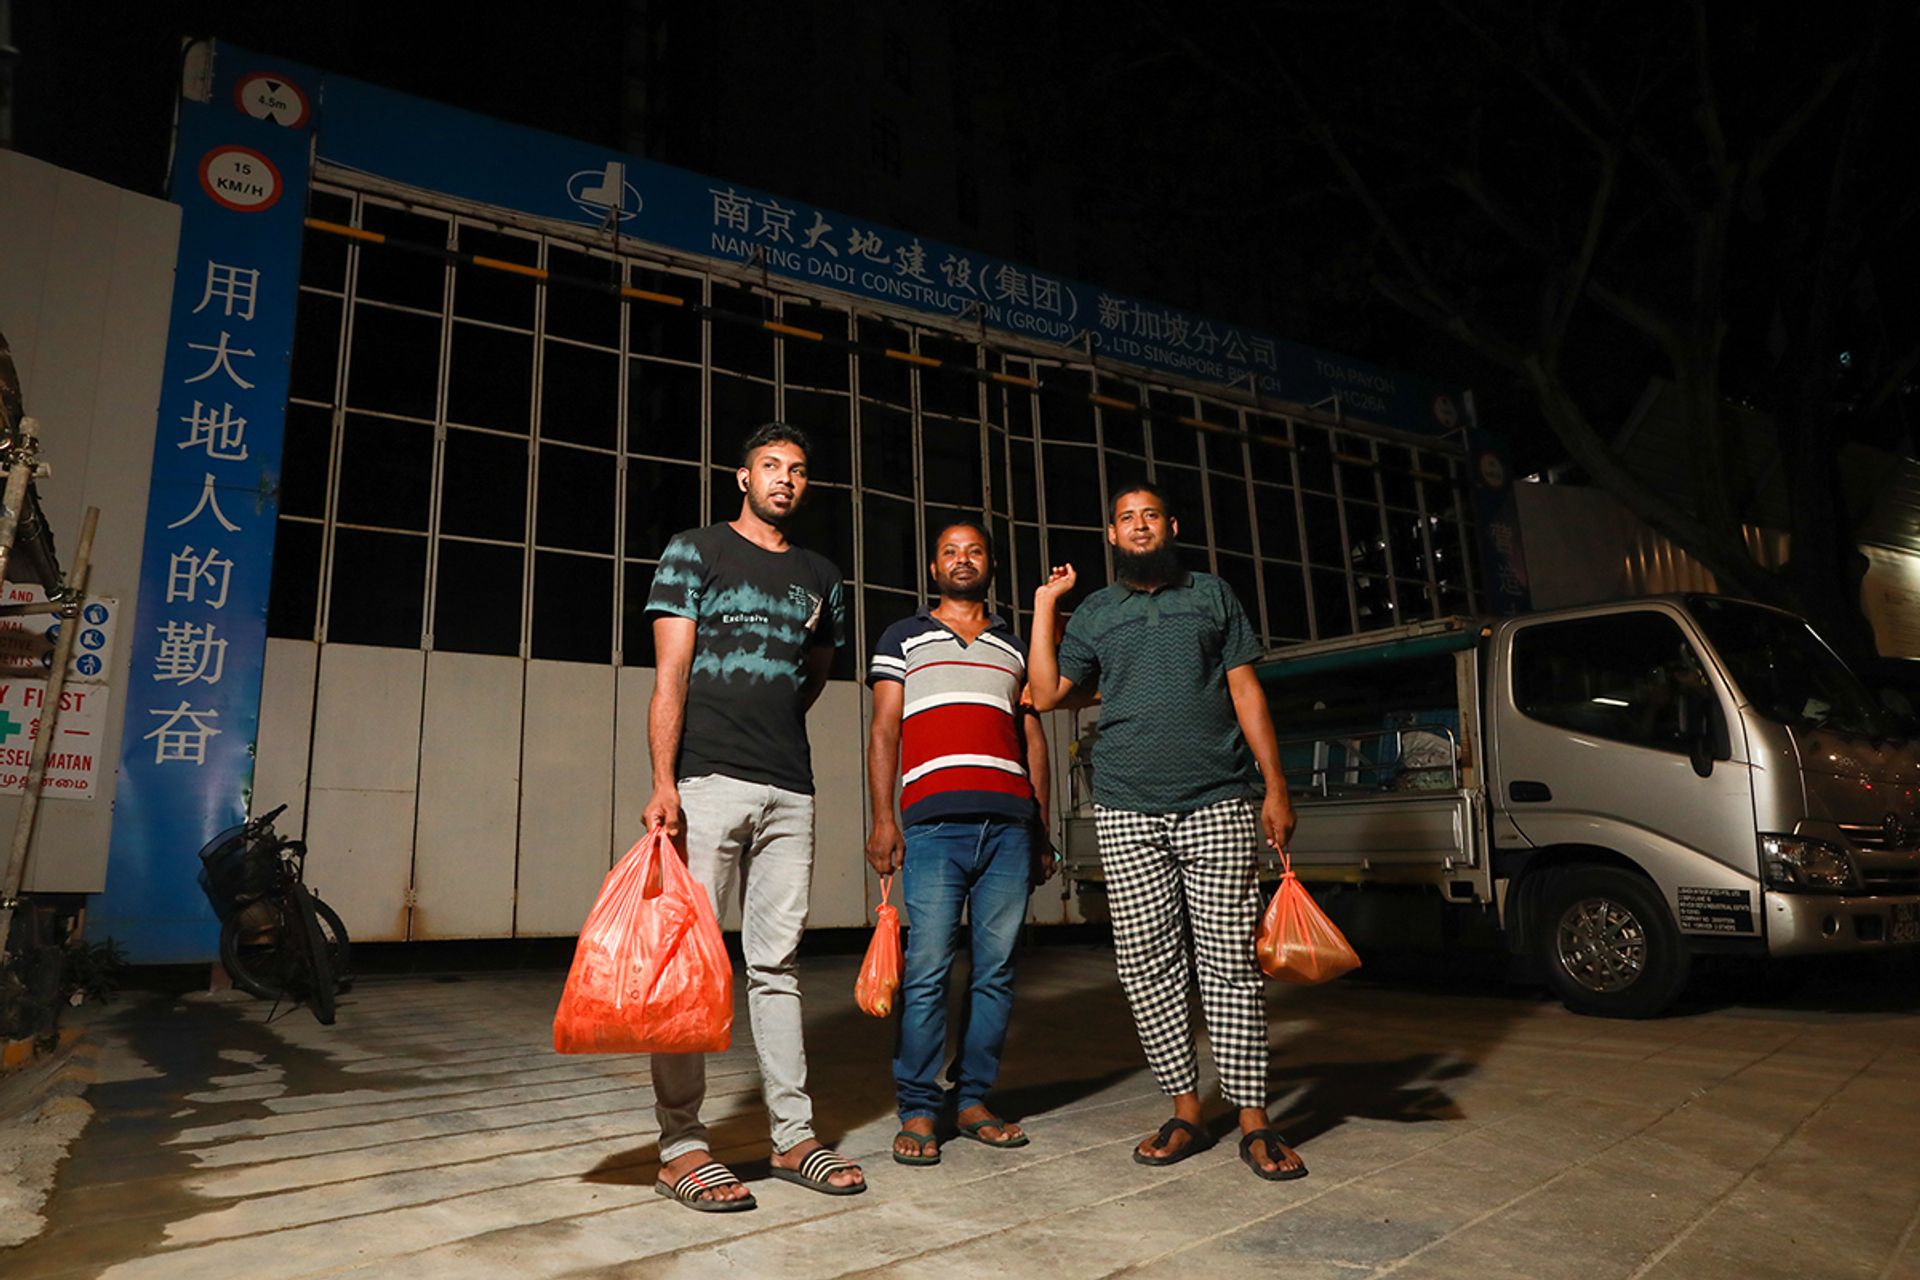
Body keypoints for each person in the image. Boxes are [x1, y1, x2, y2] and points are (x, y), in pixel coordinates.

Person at [1026, 483, 1307, 1182]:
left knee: (1229, 963)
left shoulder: (1212, 595)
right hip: (1126, 807)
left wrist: (1274, 786)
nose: (1139, 525)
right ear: (1113, 538)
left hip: (1217, 799)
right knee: (1147, 963)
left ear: (1171, 525)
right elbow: (1047, 693)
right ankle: (1186, 1109)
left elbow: (1245, 689)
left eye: (1151, 514)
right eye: (1126, 518)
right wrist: (1044, 606)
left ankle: (1253, 1119)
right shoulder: (1095, 611)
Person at [642, 421, 864, 1212]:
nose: (785, 480)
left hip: (789, 788)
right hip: (706, 783)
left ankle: (793, 1136)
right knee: (688, 965)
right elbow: (670, 675)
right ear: (743, 476)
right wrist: (664, 782)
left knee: (776, 966)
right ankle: (681, 1146)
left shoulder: (820, 575)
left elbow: (816, 675)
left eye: (798, 470)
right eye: (771, 466)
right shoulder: (694, 550)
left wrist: (769, 727)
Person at [865, 520, 1054, 1167]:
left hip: (1009, 827)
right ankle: (918, 1107)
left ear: (990, 564)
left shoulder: (1013, 646)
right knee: (927, 972)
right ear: (933, 566)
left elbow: (1033, 742)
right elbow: (885, 730)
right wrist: (882, 819)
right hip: (932, 826)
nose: (962, 559)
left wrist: (1042, 828)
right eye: (949, 551)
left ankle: (972, 1100)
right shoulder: (903, 638)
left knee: (996, 973)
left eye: (973, 550)